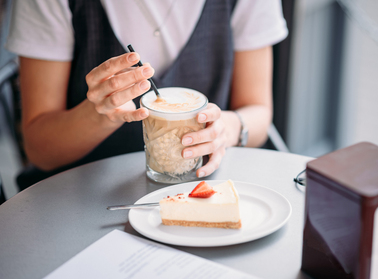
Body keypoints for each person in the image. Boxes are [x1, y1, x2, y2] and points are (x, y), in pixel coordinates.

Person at [6, 0, 288, 190]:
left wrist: (224, 129)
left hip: (201, 190)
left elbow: (258, 111)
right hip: (77, 198)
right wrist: (100, 117)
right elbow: (40, 150)